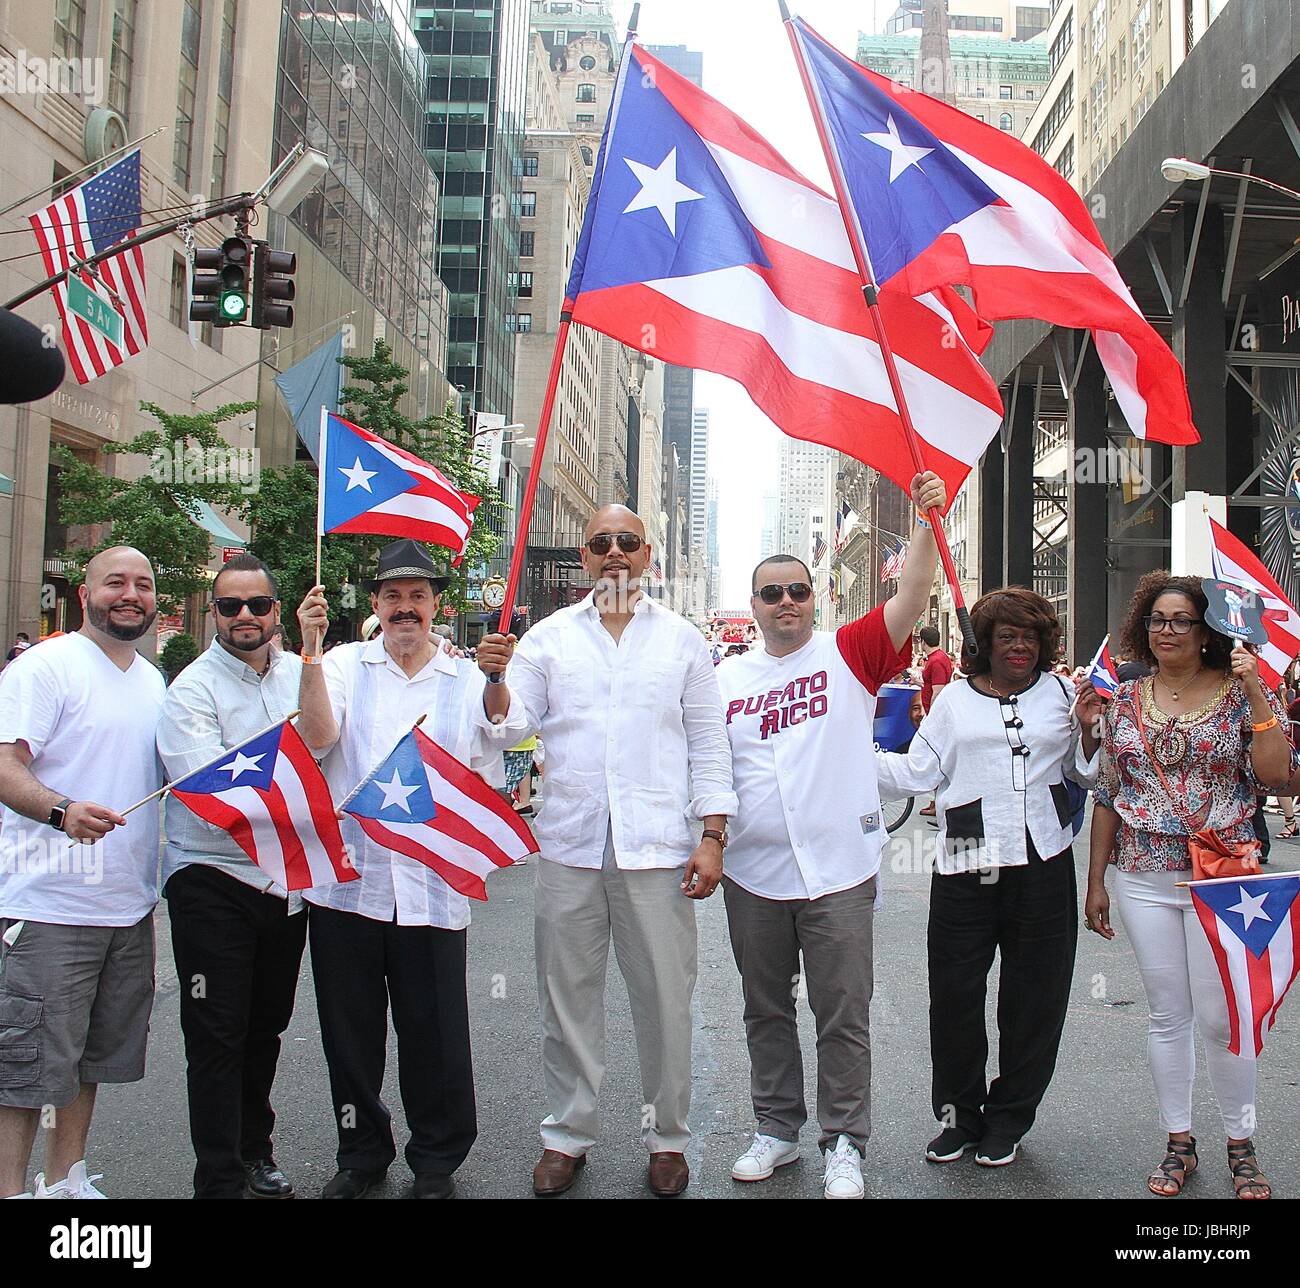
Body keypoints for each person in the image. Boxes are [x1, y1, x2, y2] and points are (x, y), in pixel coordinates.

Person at [493, 504, 736, 1198]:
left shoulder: (684, 643)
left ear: (649, 555)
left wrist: (712, 836)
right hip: (569, 844)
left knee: (665, 1001)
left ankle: (667, 1139)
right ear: (583, 555)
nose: (615, 553)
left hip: (657, 848)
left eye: (628, 542)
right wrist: (494, 677)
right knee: (566, 999)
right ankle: (566, 1136)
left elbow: (709, 746)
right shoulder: (545, 641)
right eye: (602, 543)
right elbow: (510, 730)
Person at [718, 472, 944, 1201]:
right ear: (753, 605)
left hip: (841, 872)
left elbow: (910, 597)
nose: (787, 601)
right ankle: (776, 1131)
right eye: (772, 592)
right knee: (765, 1009)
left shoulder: (849, 652)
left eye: (798, 591)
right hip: (752, 873)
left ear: (814, 599)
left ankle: (845, 1141)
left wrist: (923, 521)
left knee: (843, 1012)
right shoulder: (723, 680)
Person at [295, 539, 525, 1200]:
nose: (405, 609)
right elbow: (315, 737)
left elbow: (504, 729)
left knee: (436, 1035)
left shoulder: (461, 676)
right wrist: (309, 650)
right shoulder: (341, 664)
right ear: (374, 605)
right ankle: (362, 1153)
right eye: (392, 597)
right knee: (350, 1035)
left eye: (417, 597)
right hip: (349, 887)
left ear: (435, 605)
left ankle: (436, 1160)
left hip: (429, 887)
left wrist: (495, 675)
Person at [876, 587, 1102, 1169]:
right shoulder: (953, 701)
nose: (1020, 646)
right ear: (984, 645)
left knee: (1036, 1000)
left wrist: (1090, 731)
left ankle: (1009, 1120)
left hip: (1044, 860)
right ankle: (958, 1118)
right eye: (1007, 636)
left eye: (1030, 636)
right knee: (955, 996)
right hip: (967, 863)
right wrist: (840, 752)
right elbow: (917, 771)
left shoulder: (1061, 693)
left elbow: (1085, 772)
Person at [1085, 573, 1293, 1201]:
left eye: (1181, 620)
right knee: (1167, 1014)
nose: (1167, 630)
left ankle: (1241, 1140)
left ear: (1207, 630)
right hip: (1143, 874)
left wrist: (1256, 687)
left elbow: (1282, 777)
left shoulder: (1239, 694)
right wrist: (1094, 880)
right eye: (1157, 620)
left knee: (1226, 1015)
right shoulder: (1124, 701)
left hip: (1226, 878)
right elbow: (1107, 795)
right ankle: (1178, 1141)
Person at [0, 548, 165, 1200]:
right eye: (116, 582)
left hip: (126, 908)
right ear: (85, 592)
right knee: (24, 1067)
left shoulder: (152, 680)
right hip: (48, 907)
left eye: (143, 585)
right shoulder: (45, 667)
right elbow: (6, 768)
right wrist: (61, 810)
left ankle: (66, 1179)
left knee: (89, 1060)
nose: (130, 594)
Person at [155, 554, 307, 1200]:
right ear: (214, 613)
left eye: (258, 605)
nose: (245, 616)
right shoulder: (191, 690)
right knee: (216, 1034)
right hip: (212, 882)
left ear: (277, 610)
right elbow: (211, 795)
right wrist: (300, 794)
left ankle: (256, 1152)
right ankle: (218, 1176)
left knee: (264, 1029)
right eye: (229, 606)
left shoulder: (305, 675)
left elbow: (332, 752)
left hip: (285, 887)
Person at [916, 626, 953, 818]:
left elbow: (938, 691)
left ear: (923, 641)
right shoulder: (937, 659)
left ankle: (938, 801)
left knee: (935, 759)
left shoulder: (937, 660)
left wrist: (930, 717)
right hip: (932, 713)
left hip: (934, 716)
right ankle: (936, 800)